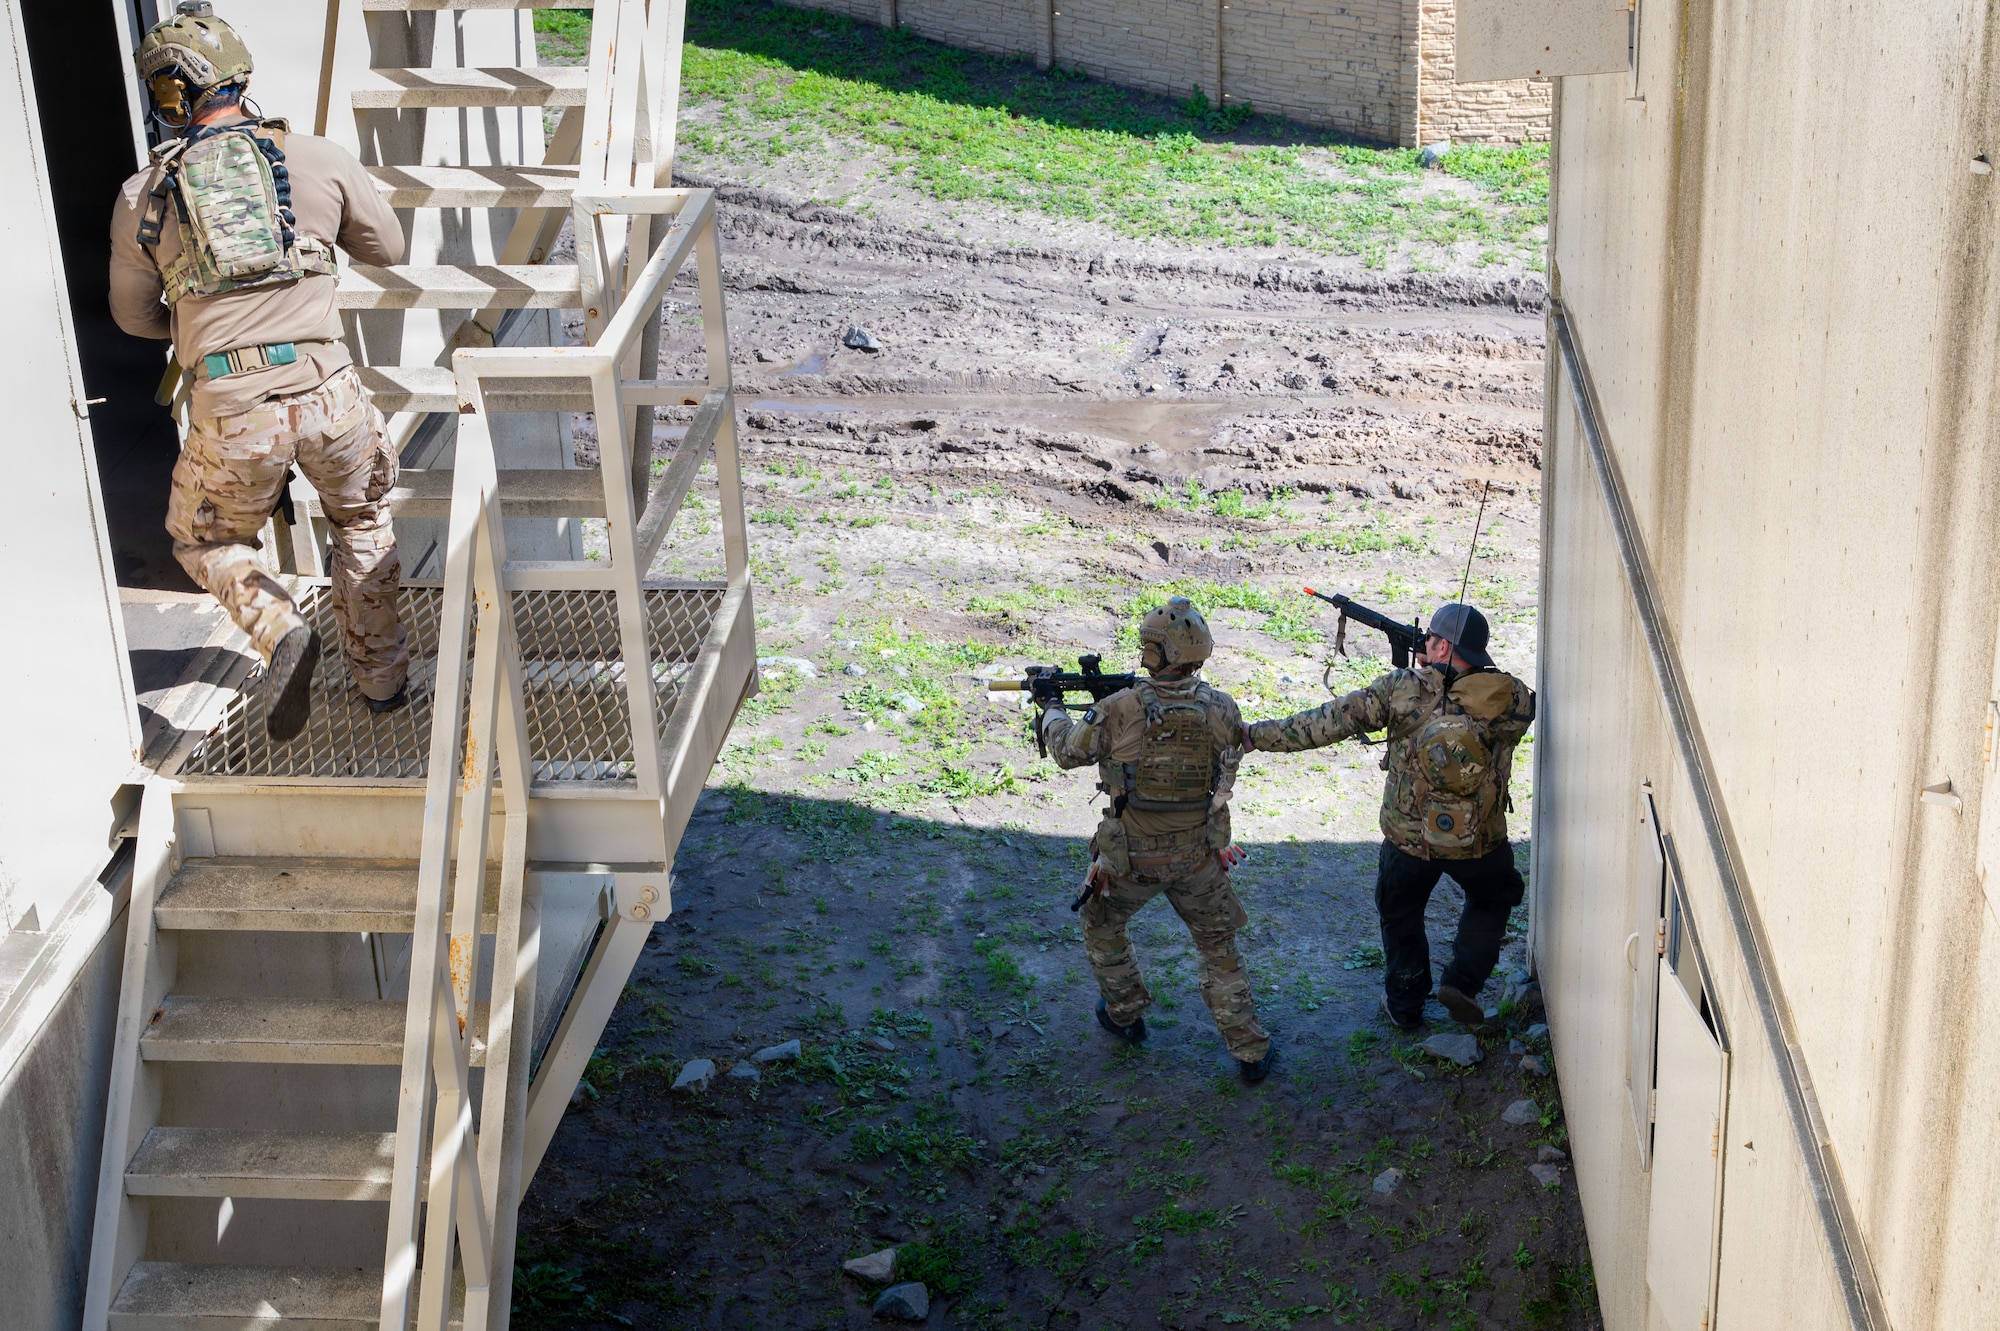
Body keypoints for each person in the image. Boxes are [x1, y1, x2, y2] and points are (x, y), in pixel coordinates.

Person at [109, 1, 408, 741]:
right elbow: (389, 247)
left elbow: (132, 317)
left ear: (169, 93)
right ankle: (383, 685)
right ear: (240, 75)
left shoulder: (141, 196)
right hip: (329, 392)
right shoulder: (318, 156)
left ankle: (279, 628)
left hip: (234, 407)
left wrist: (202, 329)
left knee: (205, 540)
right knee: (361, 520)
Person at [1243, 603, 1535, 1031]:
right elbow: (1514, 708)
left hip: (1408, 840)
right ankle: (1463, 982)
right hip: (1479, 841)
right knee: (1494, 896)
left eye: (1431, 636)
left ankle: (1405, 1004)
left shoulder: (1402, 688)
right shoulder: (1509, 696)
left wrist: (1257, 736)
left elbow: (1328, 723)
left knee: (1400, 912)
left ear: (1440, 644)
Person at [1034, 598, 1274, 1083]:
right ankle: (1249, 1050)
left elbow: (1066, 750)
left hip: (1131, 858)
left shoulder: (1120, 709)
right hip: (1197, 855)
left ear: (1155, 652)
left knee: (1102, 923)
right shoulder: (1223, 707)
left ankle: (1125, 1014)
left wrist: (1052, 708)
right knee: (1218, 948)